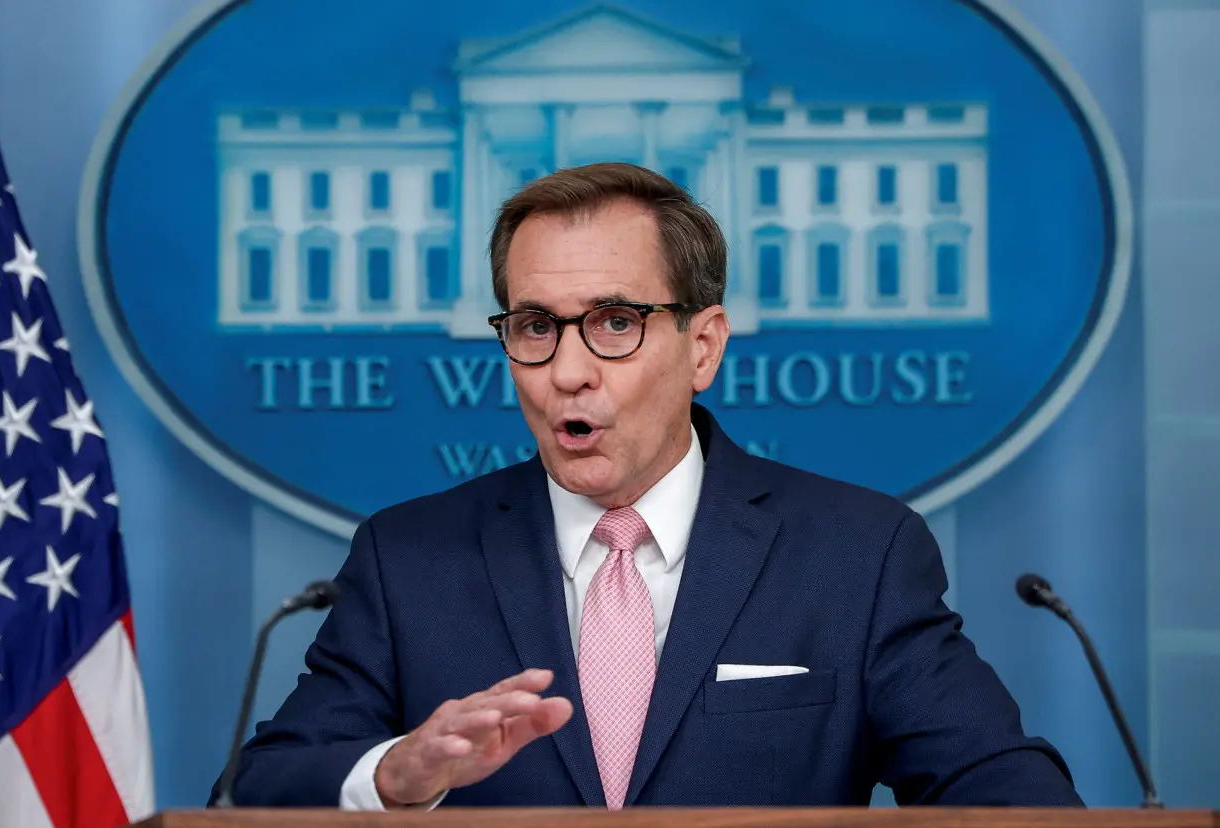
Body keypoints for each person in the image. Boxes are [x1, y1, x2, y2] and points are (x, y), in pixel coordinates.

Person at [209, 162, 1084, 809]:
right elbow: (259, 788)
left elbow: (1003, 790)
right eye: (535, 327)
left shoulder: (855, 553)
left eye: (616, 323)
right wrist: (395, 775)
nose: (568, 372)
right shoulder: (411, 559)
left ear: (703, 347)